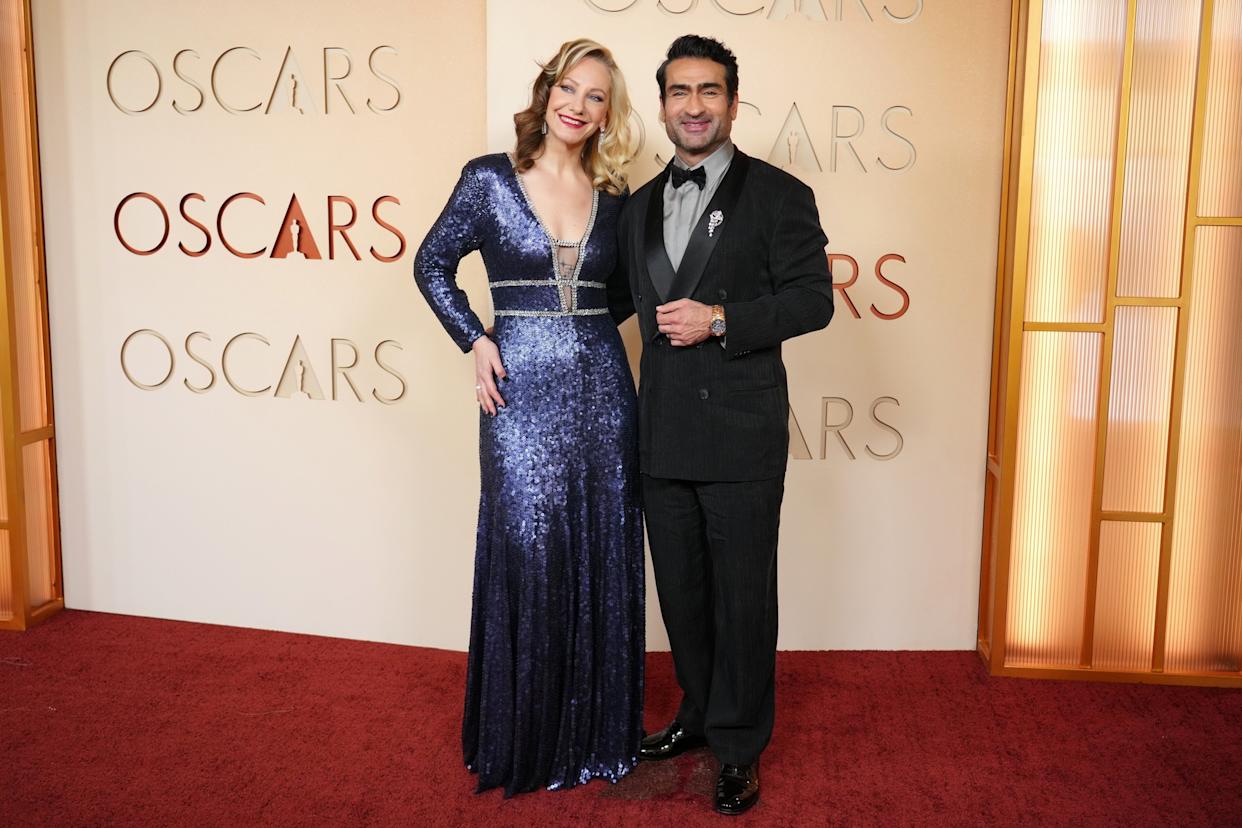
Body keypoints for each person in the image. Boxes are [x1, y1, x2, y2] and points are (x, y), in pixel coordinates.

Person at [607, 35, 834, 815]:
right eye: (679, 92)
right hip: (662, 436)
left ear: (733, 103)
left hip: (740, 437)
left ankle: (739, 747)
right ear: (662, 103)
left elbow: (814, 301)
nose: (694, 106)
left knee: (742, 600)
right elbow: (607, 308)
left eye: (709, 92)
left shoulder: (778, 195)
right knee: (685, 595)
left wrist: (723, 319)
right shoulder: (635, 209)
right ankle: (699, 715)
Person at [413, 39, 644, 797]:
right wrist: (474, 337)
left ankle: (594, 738)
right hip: (517, 394)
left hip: (605, 395)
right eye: (568, 88)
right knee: (529, 545)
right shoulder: (489, 180)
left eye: (596, 96)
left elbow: (629, 294)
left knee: (600, 544)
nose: (578, 105)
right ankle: (526, 739)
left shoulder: (617, 198)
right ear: (546, 93)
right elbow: (431, 262)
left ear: (609, 113)